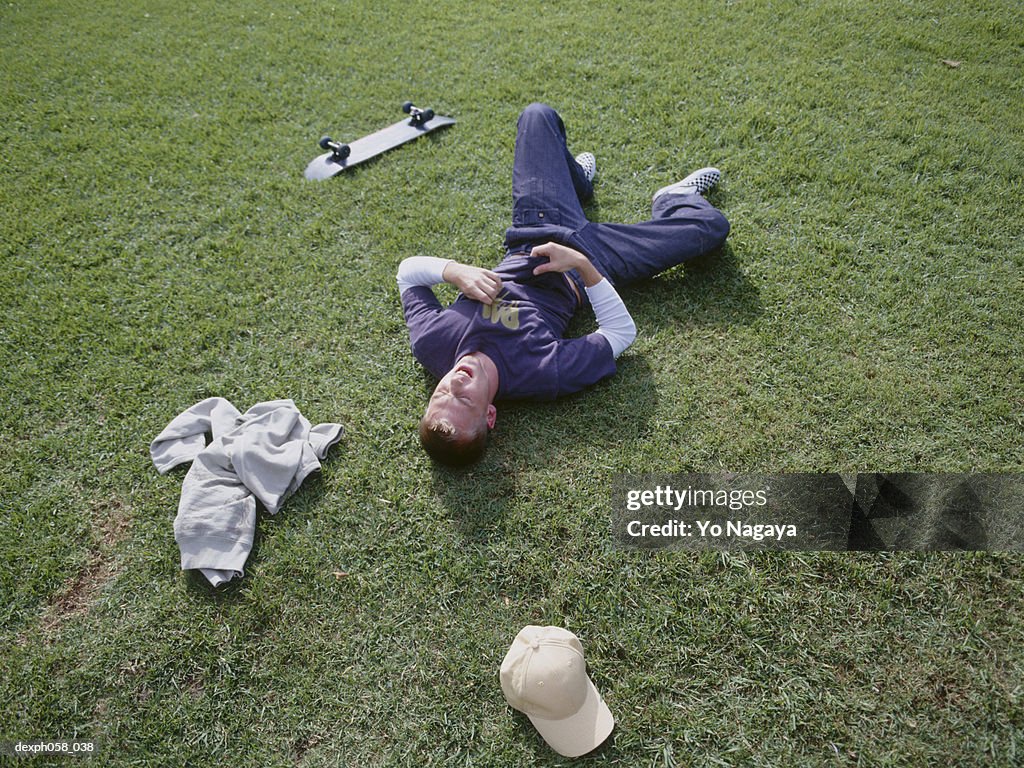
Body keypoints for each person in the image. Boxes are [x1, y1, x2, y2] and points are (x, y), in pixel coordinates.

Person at [397, 103, 730, 466]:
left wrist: (453, 271)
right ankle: (674, 199)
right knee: (710, 228)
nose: (454, 384)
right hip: (596, 261)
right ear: (490, 415)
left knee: (537, 116)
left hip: (535, 229)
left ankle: (575, 185)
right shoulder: (540, 373)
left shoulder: (432, 343)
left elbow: (407, 274)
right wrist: (583, 266)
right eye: (463, 400)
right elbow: (620, 333)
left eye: (441, 393)